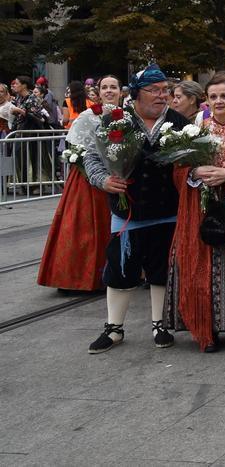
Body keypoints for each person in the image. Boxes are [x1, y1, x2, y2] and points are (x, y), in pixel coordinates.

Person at [83, 63, 190, 353]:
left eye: (165, 90)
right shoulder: (116, 120)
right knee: (119, 269)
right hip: (127, 211)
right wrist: (103, 179)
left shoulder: (180, 122)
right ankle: (114, 328)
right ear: (135, 94)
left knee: (161, 269)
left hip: (168, 210)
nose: (161, 96)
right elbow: (91, 156)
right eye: (154, 91)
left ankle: (160, 324)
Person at [165, 73, 225, 352]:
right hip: (201, 209)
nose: (219, 101)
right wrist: (194, 172)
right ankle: (207, 329)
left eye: (224, 96)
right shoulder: (195, 133)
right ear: (206, 100)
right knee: (203, 268)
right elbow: (177, 171)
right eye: (213, 96)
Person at [38, 75, 121, 293]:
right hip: (87, 179)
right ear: (98, 92)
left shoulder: (127, 116)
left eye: (114, 87)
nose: (109, 91)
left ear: (121, 91)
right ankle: (78, 277)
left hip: (118, 177)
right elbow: (75, 145)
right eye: (105, 87)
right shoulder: (88, 116)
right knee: (83, 227)